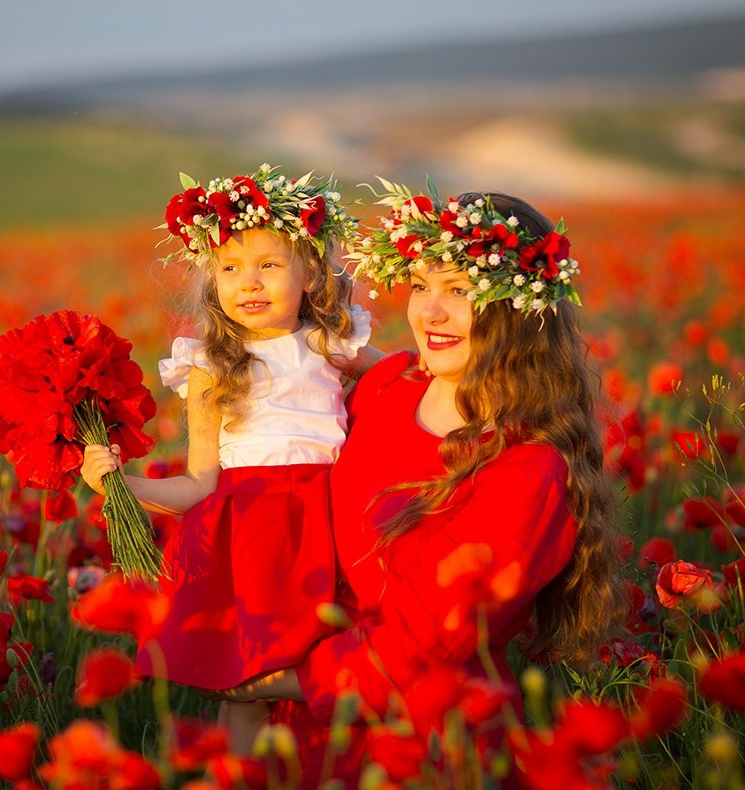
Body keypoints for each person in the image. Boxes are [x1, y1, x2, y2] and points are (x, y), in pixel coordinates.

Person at [216, 186, 630, 785]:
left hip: (429, 740)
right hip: (302, 717)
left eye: (459, 291)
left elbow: (424, 643)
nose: (428, 313)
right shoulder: (391, 385)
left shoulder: (530, 471)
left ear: (519, 306)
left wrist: (266, 677)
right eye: (420, 286)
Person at [80, 164, 383, 754]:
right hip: (248, 540)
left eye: (269, 265)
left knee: (328, 673)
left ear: (311, 272)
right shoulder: (210, 367)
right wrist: (121, 484)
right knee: (247, 688)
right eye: (230, 268)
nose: (250, 282)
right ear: (212, 282)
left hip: (330, 525)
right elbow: (197, 485)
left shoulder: (329, 345)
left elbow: (405, 384)